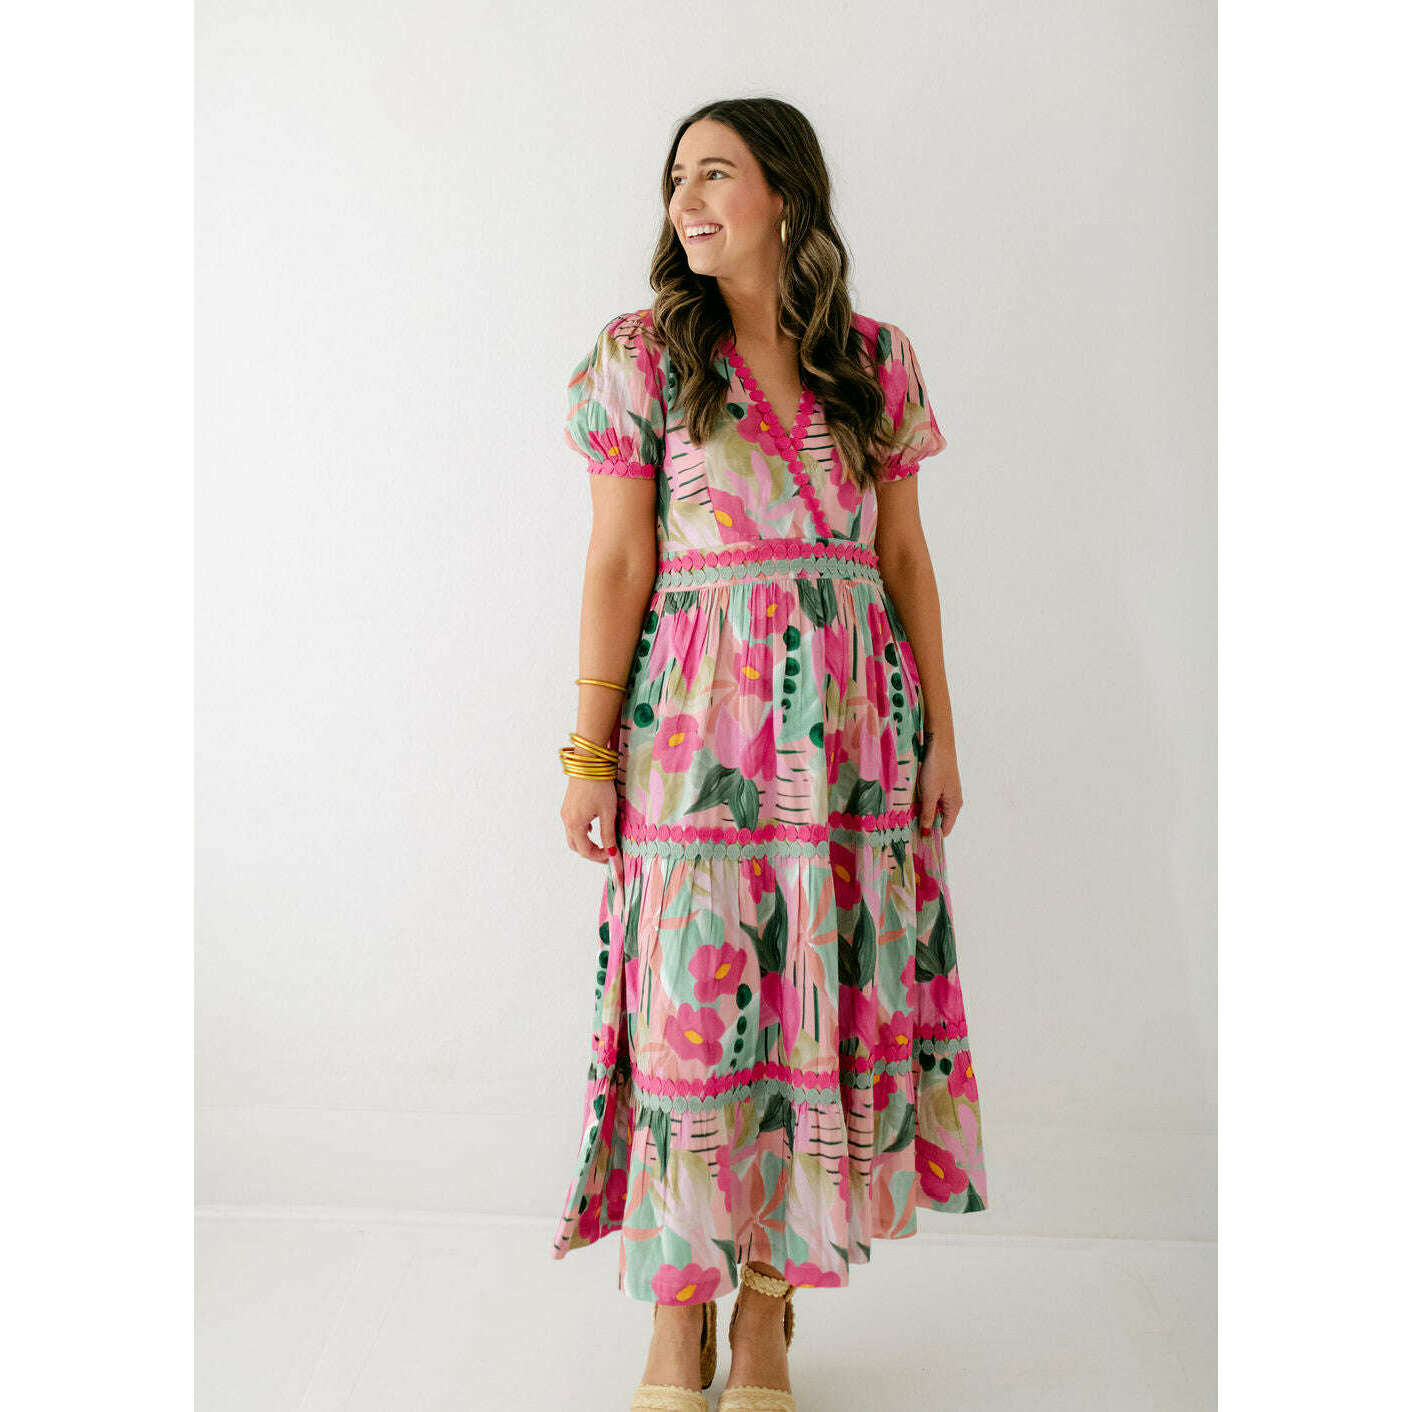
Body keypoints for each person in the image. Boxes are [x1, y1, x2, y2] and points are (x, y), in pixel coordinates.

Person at [552, 97, 989, 1412]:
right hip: (694, 734)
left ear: (785, 196)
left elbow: (902, 555)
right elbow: (619, 559)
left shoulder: (876, 360)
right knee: (691, 1019)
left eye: (716, 174)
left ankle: (765, 1313)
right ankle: (675, 1315)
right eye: (676, 178)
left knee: (817, 1006)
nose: (685, 201)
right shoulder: (642, 357)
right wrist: (586, 749)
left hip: (851, 737)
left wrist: (940, 733)